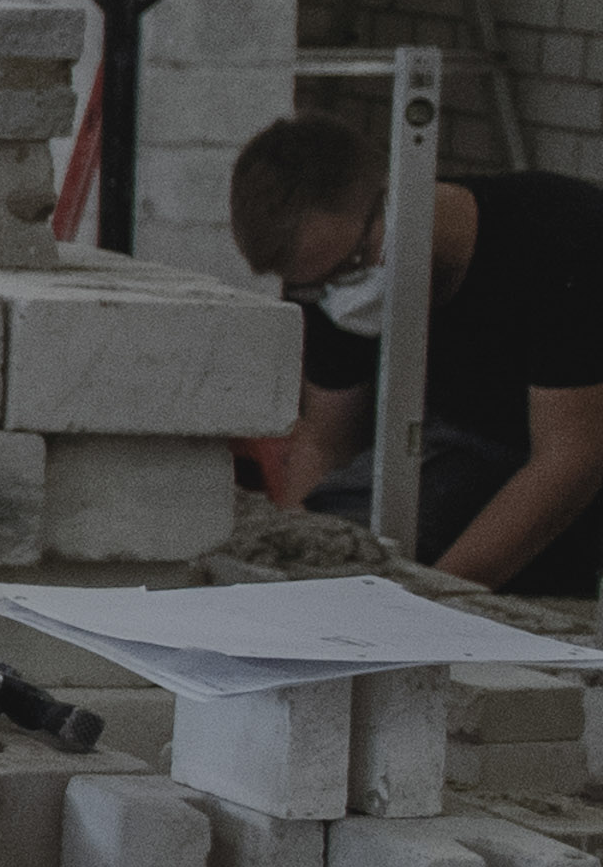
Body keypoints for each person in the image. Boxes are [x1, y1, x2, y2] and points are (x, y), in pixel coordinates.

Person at [232, 111, 603, 597]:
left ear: (394, 196)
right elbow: (327, 443)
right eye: (311, 286)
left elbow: (571, 462)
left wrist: (430, 600)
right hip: (481, 462)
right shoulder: (328, 283)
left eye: (350, 269)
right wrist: (301, 564)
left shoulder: (559, 239)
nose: (339, 296)